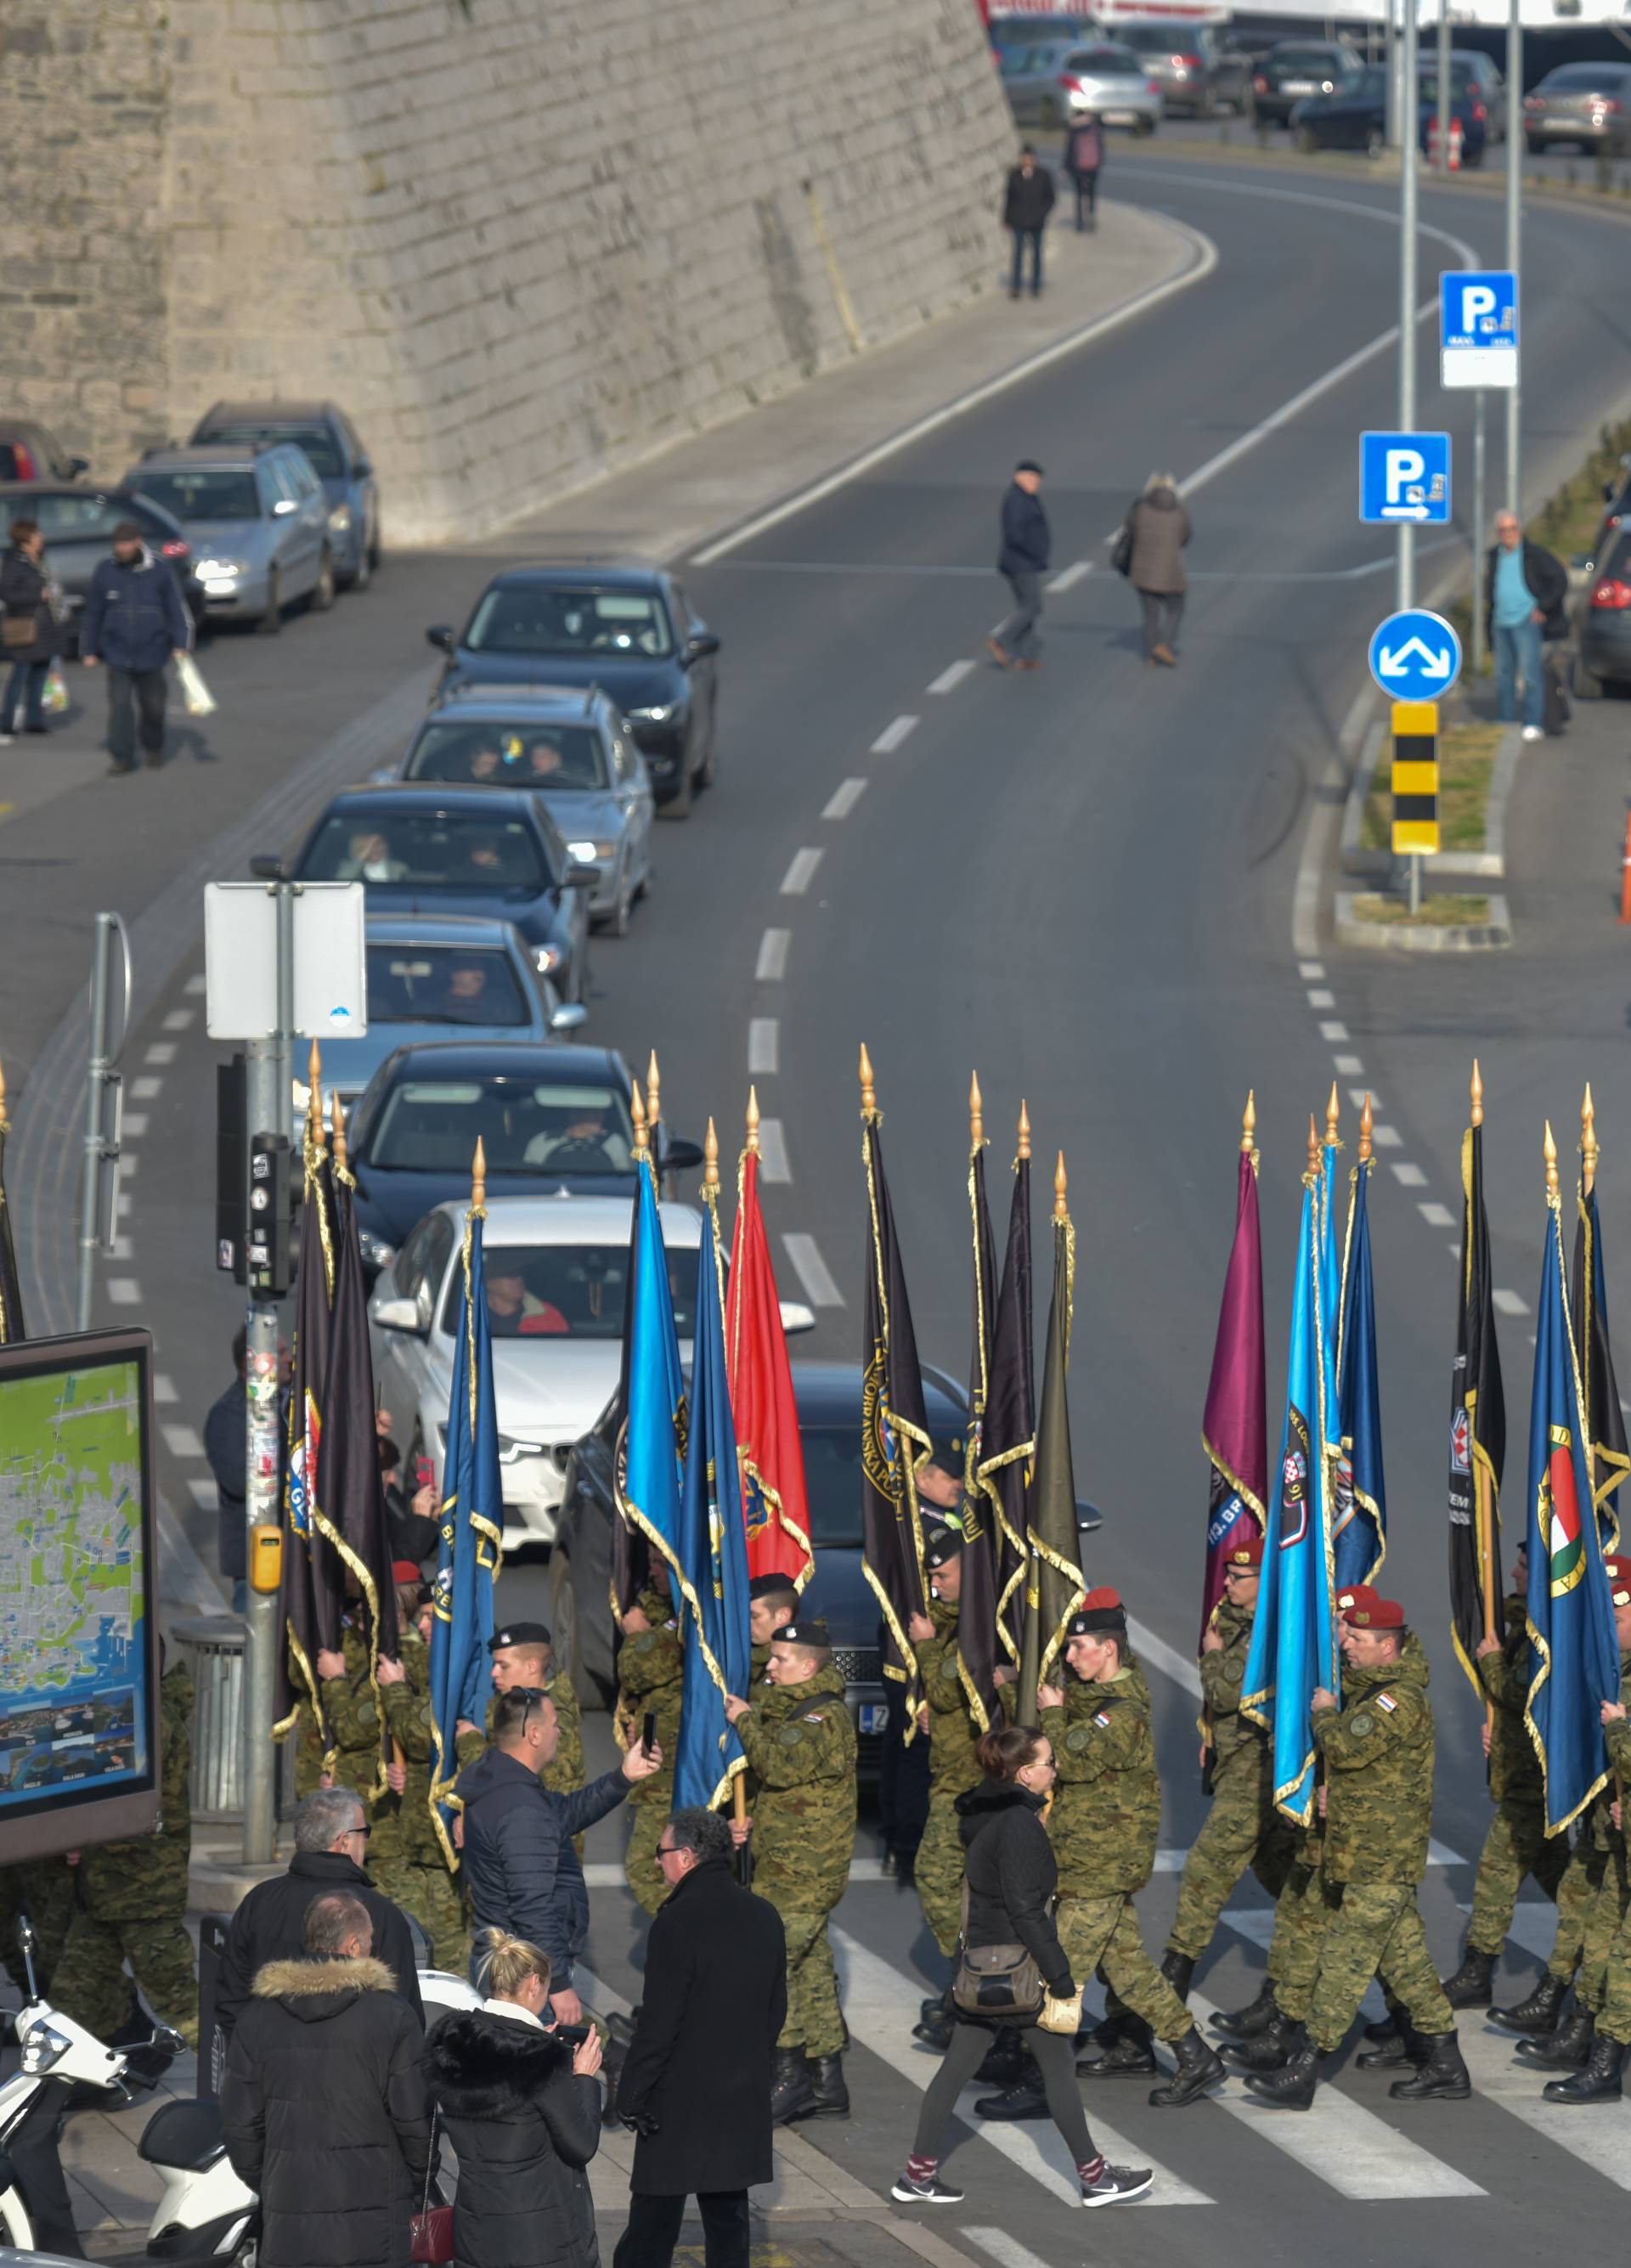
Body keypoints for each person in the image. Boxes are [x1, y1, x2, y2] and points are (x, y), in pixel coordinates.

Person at [981, 1592, 1222, 2114]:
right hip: (1085, 1860)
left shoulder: (1125, 1710)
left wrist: (1055, 1715)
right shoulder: (1093, 1700)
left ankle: (1042, 2080)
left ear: (1109, 1650)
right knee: (1130, 1970)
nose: (1070, 1658)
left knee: (1059, 1976)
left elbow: (1077, 1759)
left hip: (1102, 1865)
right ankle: (1195, 2056)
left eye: (1079, 1648)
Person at [892, 1723, 1151, 2209]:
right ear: (1027, 1772)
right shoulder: (1018, 1826)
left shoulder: (987, 1816)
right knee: (1058, 2068)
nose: (1056, 1769)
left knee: (955, 2072)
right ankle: (1095, 2179)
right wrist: (1059, 1975)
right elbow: (1026, 1909)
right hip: (1018, 1971)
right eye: (1049, 1762)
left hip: (980, 1968)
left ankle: (917, 2176)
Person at [1244, 1586, 1470, 2107]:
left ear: (1387, 1648)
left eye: (1360, 1638)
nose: (1348, 1645)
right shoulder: (1374, 1689)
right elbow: (1372, 1774)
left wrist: (1324, 1713)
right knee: (1409, 1968)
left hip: (1381, 1860)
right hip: (1364, 1854)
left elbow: (1347, 1747)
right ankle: (1445, 2062)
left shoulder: (1396, 1698)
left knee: (1343, 1967)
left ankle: (1305, 2069)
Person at [221, 1890, 432, 2268]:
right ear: (353, 1946)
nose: (373, 1949)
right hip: (376, 2218)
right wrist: (408, 2185)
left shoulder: (256, 2018)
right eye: (370, 1942)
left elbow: (240, 2127)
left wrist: (273, 2180)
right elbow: (417, 2124)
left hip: (291, 2215)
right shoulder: (393, 2017)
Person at [614, 1809, 787, 2268]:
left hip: (677, 2102)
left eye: (662, 1853)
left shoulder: (676, 1922)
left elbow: (659, 2024)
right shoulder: (764, 1915)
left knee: (652, 2225)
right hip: (739, 2096)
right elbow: (776, 2010)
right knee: (729, 2223)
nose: (657, 1863)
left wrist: (630, 2095)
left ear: (687, 1857)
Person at [724, 1616, 856, 2124]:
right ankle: (827, 2081)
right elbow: (793, 1790)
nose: (770, 1666)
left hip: (803, 1873)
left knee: (769, 1970)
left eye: (780, 1660)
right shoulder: (797, 1710)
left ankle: (790, 2076)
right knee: (809, 1972)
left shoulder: (821, 1718)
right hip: (787, 1867)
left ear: (808, 1666)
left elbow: (779, 1766)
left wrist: (744, 1721)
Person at [458, 1684, 662, 2014]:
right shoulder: (522, 1809)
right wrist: (560, 1986)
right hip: (525, 1977)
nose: (560, 1730)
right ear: (535, 1734)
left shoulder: (504, 1785)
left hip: (510, 1965)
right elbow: (532, 1907)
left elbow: (564, 1814)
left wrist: (623, 1777)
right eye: (554, 1722)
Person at [1517, 1551, 1631, 2094]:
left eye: (1617, 1621)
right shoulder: (1614, 1673)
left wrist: (1619, 1731)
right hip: (1618, 1836)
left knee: (1624, 1959)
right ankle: (1585, 2036)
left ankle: (1605, 2063)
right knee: (1605, 1942)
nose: (1606, 1633)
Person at [1160, 1537, 1295, 1999]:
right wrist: (1214, 1735)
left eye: (1239, 1577)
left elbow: (1228, 1694)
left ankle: (1174, 1975)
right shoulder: (1234, 1620)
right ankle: (1308, 1973)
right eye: (1228, 1575)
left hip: (1258, 1772)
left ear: (1265, 1581)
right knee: (1287, 1879)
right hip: (1238, 1763)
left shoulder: (1275, 1629)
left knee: (1206, 1869)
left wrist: (1213, 1655)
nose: (1227, 1583)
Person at [1438, 1543, 1569, 2012]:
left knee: (1497, 1874)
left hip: (1535, 1779)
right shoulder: (1524, 1623)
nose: (1512, 1573)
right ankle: (1602, 1941)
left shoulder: (1552, 1631)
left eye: (1523, 1567)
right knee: (1569, 1882)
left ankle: (1479, 1973)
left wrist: (1492, 1661)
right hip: (1522, 1772)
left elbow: (1528, 1691)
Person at [51, 1645, 198, 2057]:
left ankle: (260, 2090)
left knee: (185, 2010)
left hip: (143, 1896)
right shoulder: (134, 1715)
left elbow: (114, 1793)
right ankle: (65, 2093)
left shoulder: (152, 1722)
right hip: (104, 1895)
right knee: (70, 2005)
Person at [427, 1927, 603, 2268]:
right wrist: (583, 2077)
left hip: (476, 2231)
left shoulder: (454, 2044)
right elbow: (581, 2144)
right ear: (534, 1983)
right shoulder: (539, 2059)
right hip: (540, 2238)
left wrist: (538, 2040)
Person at [217, 1786, 424, 2035]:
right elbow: (404, 2017)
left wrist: (254, 2060)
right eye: (364, 1832)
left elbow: (230, 1999)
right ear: (344, 1841)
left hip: (268, 2067)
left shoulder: (259, 1902)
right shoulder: (381, 1914)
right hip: (354, 2069)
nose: (367, 1840)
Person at [371, 1571, 475, 1973]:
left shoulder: (462, 1668)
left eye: (433, 1617)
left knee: (450, 1956)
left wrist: (397, 1689)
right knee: (412, 1944)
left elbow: (421, 1736)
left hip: (449, 1836)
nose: (423, 1625)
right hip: (422, 1836)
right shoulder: (439, 1661)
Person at [906, 1533, 986, 2049]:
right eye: (932, 1577)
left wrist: (927, 1644)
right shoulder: (958, 1619)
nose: (935, 1586)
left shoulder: (978, 1625)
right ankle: (968, 1986)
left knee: (937, 1877)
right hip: (953, 1778)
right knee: (955, 1889)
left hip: (971, 1782)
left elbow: (950, 1686)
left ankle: (970, 1986)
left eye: (943, 1576)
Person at [78, 519, 191, 776]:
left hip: (153, 651)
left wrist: (181, 642)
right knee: (120, 706)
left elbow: (176, 608)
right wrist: (88, 649)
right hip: (117, 652)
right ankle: (122, 757)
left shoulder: (159, 570)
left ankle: (153, 747)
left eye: (126, 543)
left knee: (154, 707)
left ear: (138, 542)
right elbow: (93, 613)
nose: (121, 548)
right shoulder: (105, 570)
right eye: (117, 544)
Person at [203, 1327, 291, 1612]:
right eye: (280, 1353)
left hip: (293, 1556)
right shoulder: (229, 1414)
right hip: (255, 1562)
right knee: (252, 1646)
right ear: (249, 1364)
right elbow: (240, 1481)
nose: (290, 1359)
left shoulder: (289, 1404)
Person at [613, 1573, 685, 1915]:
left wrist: (638, 1636)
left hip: (677, 1770)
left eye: (661, 1558)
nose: (654, 1567)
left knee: (647, 1867)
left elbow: (635, 1668)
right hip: (658, 1767)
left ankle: (688, 1934)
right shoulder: (651, 1603)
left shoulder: (689, 1609)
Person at [1484, 509, 1567, 743]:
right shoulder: (1494, 555)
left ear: (1519, 530)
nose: (1508, 534)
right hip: (1500, 622)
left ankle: (1533, 722)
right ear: (1498, 533)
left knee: (1530, 674)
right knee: (1504, 674)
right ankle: (1506, 718)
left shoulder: (1534, 555)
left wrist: (1543, 606)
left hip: (1525, 622)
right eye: (1503, 530)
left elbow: (1559, 580)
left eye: (1512, 529)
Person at [488, 1621, 587, 1801]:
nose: (494, 1673)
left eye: (503, 1666)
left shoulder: (553, 1722)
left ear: (531, 1666)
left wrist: (469, 1743)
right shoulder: (516, 1702)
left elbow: (528, 1794)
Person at [1121, 471, 1192, 667]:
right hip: (1170, 572)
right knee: (1176, 607)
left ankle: (1151, 656)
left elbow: (1129, 530)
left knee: (1150, 614)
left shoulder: (1140, 508)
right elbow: (1185, 536)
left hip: (1142, 571)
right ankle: (1164, 644)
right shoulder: (1178, 511)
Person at [989, 461, 1050, 674]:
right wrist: (1034, 551)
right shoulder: (1017, 500)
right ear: (1020, 477)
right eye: (1033, 478)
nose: (1037, 482)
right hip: (1021, 562)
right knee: (1033, 606)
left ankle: (1024, 656)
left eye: (1038, 479)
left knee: (1026, 605)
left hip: (1023, 561)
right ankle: (1003, 640)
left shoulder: (1025, 497)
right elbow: (1016, 534)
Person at [0, 517, 57, 742]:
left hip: (44, 625)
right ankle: (7, 722)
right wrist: (37, 596)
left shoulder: (40, 560)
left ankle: (35, 720)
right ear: (26, 539)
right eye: (37, 535)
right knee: (21, 674)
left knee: (41, 672)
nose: (42, 538)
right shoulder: (14, 562)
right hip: (24, 626)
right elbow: (8, 595)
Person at [1002, 144, 1055, 299]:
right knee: (1017, 254)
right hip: (1018, 220)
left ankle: (1035, 286)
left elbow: (1050, 198)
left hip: (1037, 222)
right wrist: (1006, 219)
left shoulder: (1043, 175)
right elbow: (1009, 198)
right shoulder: (1014, 175)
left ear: (1034, 159)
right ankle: (1016, 287)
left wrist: (1042, 213)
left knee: (1037, 254)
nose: (1026, 161)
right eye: (1024, 158)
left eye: (1029, 158)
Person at [1063, 114, 1103, 231]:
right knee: (1091, 193)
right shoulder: (1095, 129)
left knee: (1079, 194)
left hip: (1078, 168)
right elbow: (1101, 149)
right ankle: (1090, 216)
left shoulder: (1074, 130)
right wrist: (1098, 164)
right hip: (1093, 167)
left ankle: (1080, 221)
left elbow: (1069, 150)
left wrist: (1066, 167)